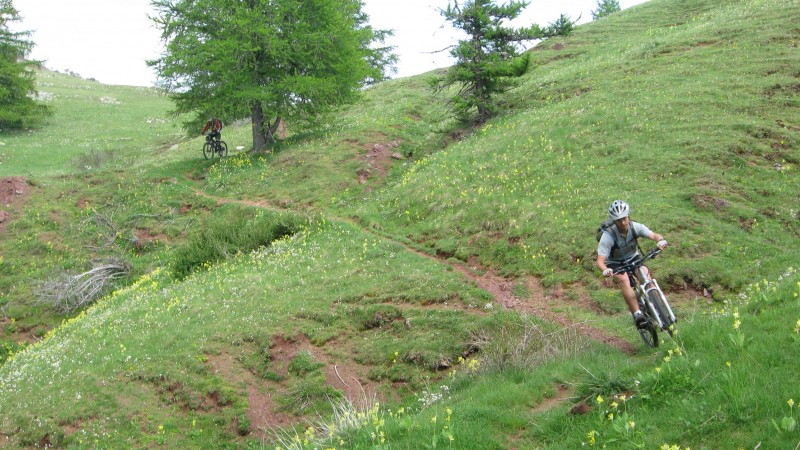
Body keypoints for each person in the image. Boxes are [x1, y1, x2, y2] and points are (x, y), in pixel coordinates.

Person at [596, 200, 668, 328]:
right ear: (614, 221)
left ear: (628, 216)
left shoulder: (635, 227)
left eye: (624, 218)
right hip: (614, 263)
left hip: (633, 258)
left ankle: (658, 307)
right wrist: (605, 270)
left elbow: (654, 235)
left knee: (645, 275)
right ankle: (637, 314)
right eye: (619, 220)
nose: (623, 223)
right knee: (624, 279)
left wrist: (660, 241)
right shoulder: (608, 236)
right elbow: (600, 261)